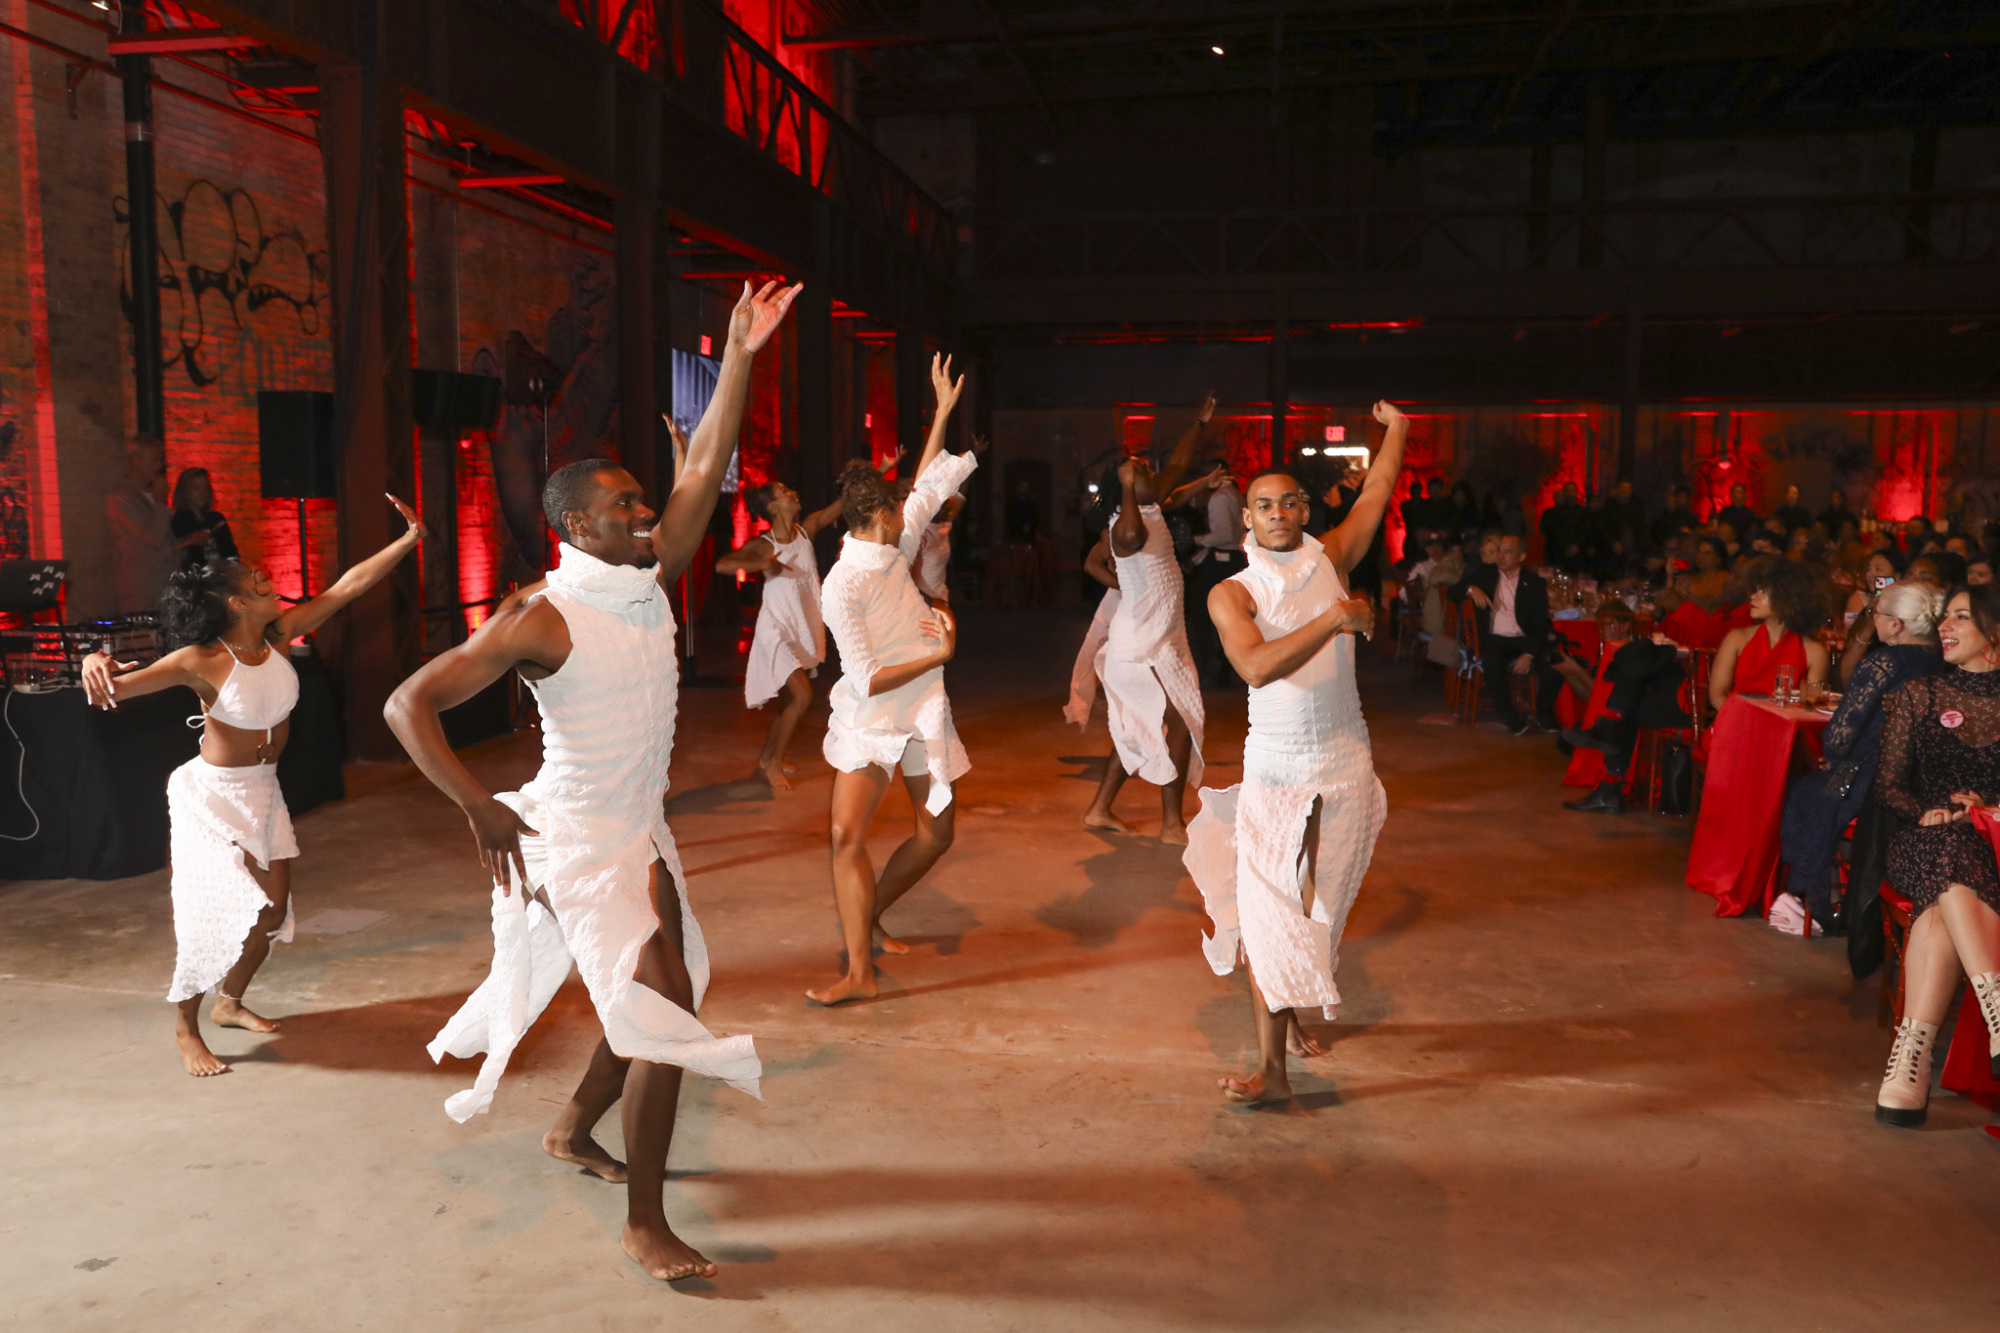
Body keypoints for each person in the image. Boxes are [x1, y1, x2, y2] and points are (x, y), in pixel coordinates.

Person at [385, 280, 796, 1283]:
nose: (646, 509)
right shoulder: (543, 612)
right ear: (574, 520)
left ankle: (572, 1127)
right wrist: (480, 805)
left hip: (637, 828)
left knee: (669, 991)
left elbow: (702, 465)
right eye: (624, 503)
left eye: (643, 502)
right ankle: (645, 1222)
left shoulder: (650, 576)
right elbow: (408, 704)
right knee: (662, 1010)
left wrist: (738, 351)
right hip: (572, 834)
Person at [80, 497, 423, 1077]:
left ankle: (229, 1002)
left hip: (263, 791)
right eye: (261, 582)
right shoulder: (200, 660)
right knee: (206, 916)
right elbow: (110, 691)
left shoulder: (280, 635)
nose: (274, 584)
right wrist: (95, 659)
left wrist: (410, 537)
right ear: (237, 602)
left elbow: (349, 586)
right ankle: (185, 1027)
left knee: (271, 913)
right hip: (210, 798)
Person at [1183, 401, 1405, 1105]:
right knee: (1267, 904)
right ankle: (1271, 1068)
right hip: (1275, 767)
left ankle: (1293, 1008)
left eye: (1288, 502)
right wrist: (1335, 617)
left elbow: (1377, 491)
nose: (1278, 513)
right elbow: (1253, 667)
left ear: (1303, 508)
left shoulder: (1330, 556)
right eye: (1263, 505)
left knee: (1322, 905)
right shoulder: (1231, 591)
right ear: (1245, 518)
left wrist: (1396, 431)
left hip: (1343, 761)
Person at [811, 367, 981, 1006]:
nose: (910, 514)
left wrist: (939, 411)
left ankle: (868, 915)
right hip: (875, 714)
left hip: (925, 708)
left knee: (937, 834)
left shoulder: (892, 535)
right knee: (844, 836)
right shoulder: (842, 585)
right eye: (898, 509)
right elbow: (866, 677)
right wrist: (939, 653)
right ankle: (859, 970)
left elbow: (930, 483)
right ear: (878, 516)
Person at [1872, 585, 2000, 1126]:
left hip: (1989, 845)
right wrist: (1929, 810)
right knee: (1947, 850)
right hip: (1920, 839)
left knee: (1944, 894)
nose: (1945, 626)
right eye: (1945, 616)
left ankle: (1910, 1065)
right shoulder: (1919, 693)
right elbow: (1887, 785)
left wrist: (1989, 806)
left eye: (1962, 618)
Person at [713, 432, 897, 792]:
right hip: (776, 631)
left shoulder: (806, 529)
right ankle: (772, 764)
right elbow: (722, 564)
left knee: (792, 698)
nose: (792, 494)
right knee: (802, 696)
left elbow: (841, 505)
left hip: (800, 626)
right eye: (784, 493)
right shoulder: (762, 544)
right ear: (772, 507)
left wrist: (879, 471)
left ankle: (769, 758)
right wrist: (760, 561)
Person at [1780, 582, 1941, 934]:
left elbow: (1838, 738)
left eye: (1876, 614)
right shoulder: (1946, 659)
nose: (1875, 622)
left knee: (1803, 791)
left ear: (1896, 624)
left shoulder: (1885, 661)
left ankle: (1813, 901)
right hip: (1930, 784)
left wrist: (1835, 758)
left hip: (1871, 781)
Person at [1080, 453, 1206, 843]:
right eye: (1142, 470)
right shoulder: (1123, 525)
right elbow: (1130, 542)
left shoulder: (1151, 507)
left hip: (1164, 636)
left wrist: (1201, 422)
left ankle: (1099, 809)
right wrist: (1131, 486)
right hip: (1139, 645)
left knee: (1141, 729)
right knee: (1180, 722)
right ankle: (1172, 824)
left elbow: (1177, 468)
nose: (1153, 472)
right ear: (1127, 484)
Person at [1557, 603, 1690, 815]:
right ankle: (1612, 723)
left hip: (1697, 704)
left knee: (1630, 703)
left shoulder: (1736, 625)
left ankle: (1609, 785)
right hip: (1684, 689)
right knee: (1640, 655)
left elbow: (1702, 636)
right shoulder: (1729, 619)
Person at [1458, 533, 1562, 736]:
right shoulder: (1486, 575)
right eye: (1500, 551)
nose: (1501, 557)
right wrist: (1471, 589)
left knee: (1555, 664)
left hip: (1525, 637)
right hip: (1497, 638)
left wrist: (1529, 654)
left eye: (1508, 552)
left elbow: (1540, 624)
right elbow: (1454, 590)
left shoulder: (1534, 582)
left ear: (1521, 557)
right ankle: (1512, 719)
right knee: (1492, 664)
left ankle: (1544, 714)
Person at [1708, 559, 1831, 712]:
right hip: (1737, 723)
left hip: (1786, 726)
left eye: (1764, 592)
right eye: (1755, 590)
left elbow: (1811, 707)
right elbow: (1716, 695)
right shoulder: (1736, 638)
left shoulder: (1814, 652)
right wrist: (1744, 720)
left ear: (1787, 599)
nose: (1753, 596)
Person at [1186, 459, 1248, 688]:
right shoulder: (1235, 493)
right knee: (1231, 616)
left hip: (1220, 561)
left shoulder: (1219, 497)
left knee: (1202, 614)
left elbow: (1224, 535)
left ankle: (1212, 664)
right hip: (1234, 561)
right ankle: (1224, 664)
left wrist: (1195, 540)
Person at [106, 434, 182, 614]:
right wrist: (161, 503)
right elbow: (152, 537)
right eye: (155, 460)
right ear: (136, 459)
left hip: (163, 586)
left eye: (160, 460)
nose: (159, 466)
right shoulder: (121, 497)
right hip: (141, 591)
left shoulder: (150, 495)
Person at [169, 468, 241, 569]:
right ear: (185, 492)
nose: (202, 493)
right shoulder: (179, 521)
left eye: (205, 488)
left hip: (222, 579)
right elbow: (175, 554)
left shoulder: (216, 519)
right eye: (196, 488)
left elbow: (231, 553)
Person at [1715, 484, 1760, 550]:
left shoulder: (1749, 513)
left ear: (1744, 495)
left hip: (1740, 546)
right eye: (1734, 492)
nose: (1736, 495)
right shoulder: (1725, 511)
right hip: (1723, 543)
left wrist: (1739, 545)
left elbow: (1751, 534)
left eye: (1739, 492)